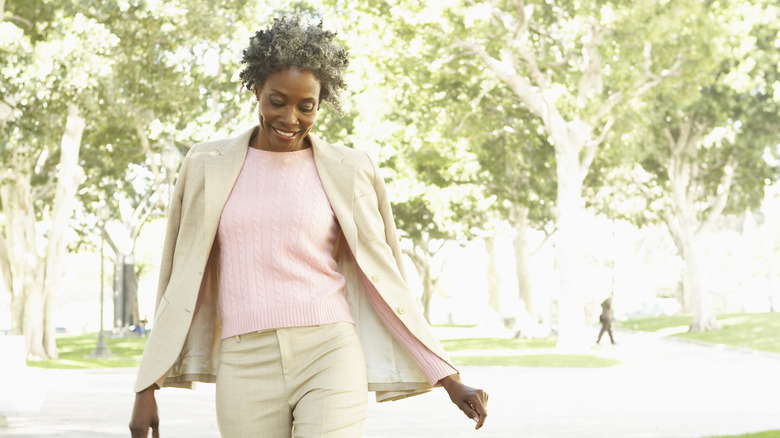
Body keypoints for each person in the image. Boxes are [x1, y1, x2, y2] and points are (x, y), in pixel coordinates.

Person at [129, 16, 488, 438]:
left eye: (306, 106)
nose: (291, 118)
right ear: (256, 90)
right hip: (243, 359)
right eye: (277, 101)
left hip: (330, 351)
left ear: (322, 103)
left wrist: (448, 379)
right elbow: (178, 274)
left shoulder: (351, 169)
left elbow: (385, 281)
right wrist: (145, 386)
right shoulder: (206, 164)